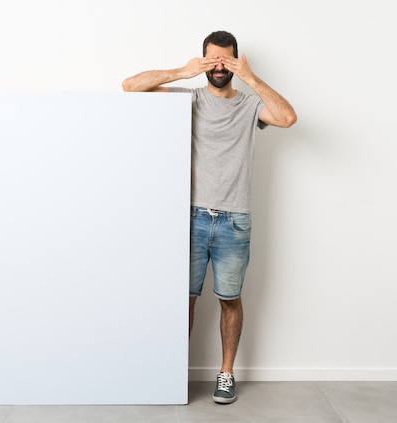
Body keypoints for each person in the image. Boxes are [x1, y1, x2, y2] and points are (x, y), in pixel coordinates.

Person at [122, 30, 297, 404]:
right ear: (203, 60)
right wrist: (182, 72)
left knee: (230, 299)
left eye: (226, 60)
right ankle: (172, 375)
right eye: (212, 60)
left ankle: (226, 373)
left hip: (235, 220)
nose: (219, 67)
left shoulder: (251, 106)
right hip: (190, 219)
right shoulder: (189, 99)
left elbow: (287, 118)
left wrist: (250, 78)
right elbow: (130, 86)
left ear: (236, 60)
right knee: (182, 299)